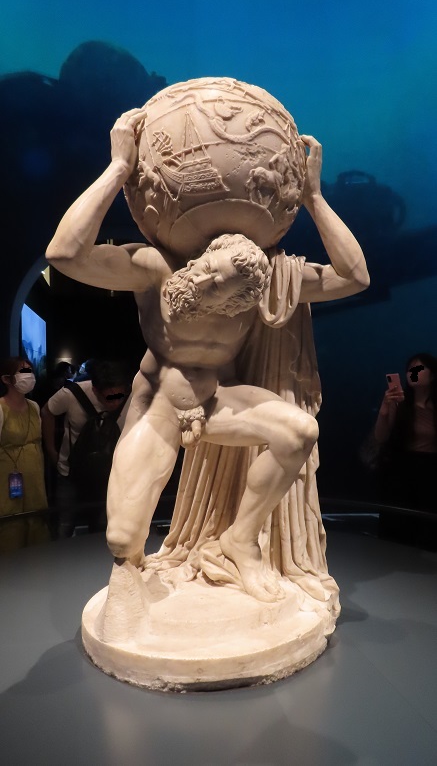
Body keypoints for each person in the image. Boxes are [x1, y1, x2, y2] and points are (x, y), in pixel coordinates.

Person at [45, 108, 369, 602]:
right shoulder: (155, 269)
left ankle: (241, 541)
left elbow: (354, 277)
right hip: (159, 406)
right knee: (123, 539)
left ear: (241, 299)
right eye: (210, 269)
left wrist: (314, 198)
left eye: (221, 288)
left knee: (299, 431)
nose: (206, 282)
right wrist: (118, 167)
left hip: (215, 401)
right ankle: (133, 583)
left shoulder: (264, 284)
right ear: (207, 252)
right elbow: (64, 254)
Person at [41, 359, 130, 537]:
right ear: (95, 390)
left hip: (111, 474)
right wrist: (51, 450)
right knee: (65, 524)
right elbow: (47, 411)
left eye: (119, 396)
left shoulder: (131, 398)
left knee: (104, 527)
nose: (115, 403)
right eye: (109, 397)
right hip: (71, 472)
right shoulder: (72, 394)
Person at [374, 352, 437, 515]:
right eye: (410, 369)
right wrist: (384, 409)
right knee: (400, 517)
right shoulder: (400, 403)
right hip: (401, 468)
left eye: (419, 368)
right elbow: (380, 437)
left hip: (431, 470)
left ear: (433, 375)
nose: (412, 373)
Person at [0, 357, 50, 552]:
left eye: (30, 370)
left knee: (36, 523)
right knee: (10, 526)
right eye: (23, 371)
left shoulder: (34, 406)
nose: (28, 375)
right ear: (6, 379)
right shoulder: (1, 408)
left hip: (34, 477)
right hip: (7, 478)